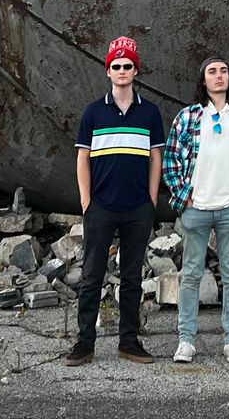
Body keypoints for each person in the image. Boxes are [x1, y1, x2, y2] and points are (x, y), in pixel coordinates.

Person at [66, 36, 166, 366]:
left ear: (136, 71)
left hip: (138, 207)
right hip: (101, 207)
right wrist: (86, 201)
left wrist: (151, 199)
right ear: (108, 71)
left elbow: (155, 157)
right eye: (116, 66)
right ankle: (85, 343)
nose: (122, 70)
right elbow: (83, 158)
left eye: (128, 65)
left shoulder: (149, 113)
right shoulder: (94, 112)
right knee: (92, 276)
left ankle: (129, 341)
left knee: (132, 278)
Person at [162, 56, 229, 364]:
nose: (219, 76)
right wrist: (184, 197)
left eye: (223, 71)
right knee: (191, 276)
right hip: (197, 209)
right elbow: (171, 159)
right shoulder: (189, 116)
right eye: (212, 71)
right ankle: (186, 340)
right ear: (203, 79)